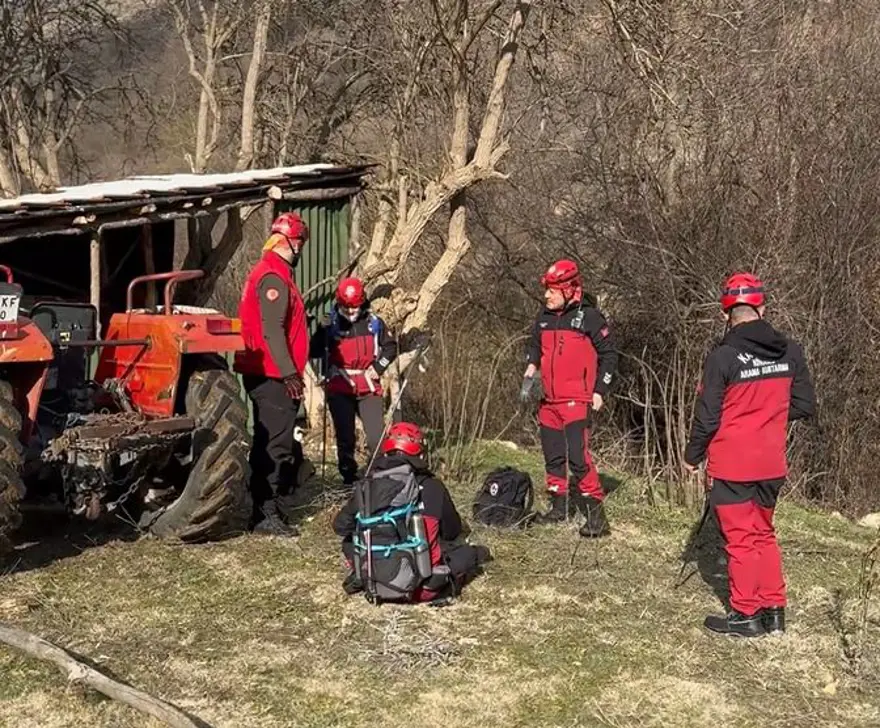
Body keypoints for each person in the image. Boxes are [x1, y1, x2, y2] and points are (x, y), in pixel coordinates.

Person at [684, 272, 816, 637]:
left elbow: (707, 416)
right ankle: (774, 610)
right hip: (772, 461)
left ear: (725, 313)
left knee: (740, 538)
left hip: (733, 462)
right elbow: (805, 405)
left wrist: (691, 455)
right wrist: (767, 411)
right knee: (763, 533)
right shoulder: (791, 350)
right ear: (762, 308)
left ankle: (745, 614)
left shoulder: (722, 356)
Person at [333, 422, 491, 604]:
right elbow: (452, 531)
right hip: (421, 589)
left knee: (349, 540)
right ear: (420, 453)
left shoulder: (368, 485)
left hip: (373, 581)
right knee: (467, 554)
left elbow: (340, 526)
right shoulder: (433, 486)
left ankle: (365, 572)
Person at [521, 259, 618, 537]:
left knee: (578, 457)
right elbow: (534, 344)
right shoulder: (544, 315)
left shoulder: (590, 317)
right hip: (548, 401)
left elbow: (610, 356)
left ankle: (597, 517)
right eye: (546, 290)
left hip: (576, 400)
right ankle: (558, 507)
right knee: (553, 456)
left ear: (568, 289)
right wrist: (531, 364)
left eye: (552, 290)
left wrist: (600, 390)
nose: (546, 295)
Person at [234, 212, 310, 536]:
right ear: (291, 242)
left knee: (272, 440)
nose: (302, 249)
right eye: (301, 243)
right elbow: (272, 331)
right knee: (275, 444)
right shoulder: (273, 277)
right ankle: (264, 513)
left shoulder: (274, 273)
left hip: (271, 371)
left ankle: (268, 507)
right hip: (271, 374)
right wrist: (290, 374)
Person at [309, 277, 397, 484]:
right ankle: (349, 477)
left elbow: (391, 346)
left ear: (362, 302)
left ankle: (378, 476)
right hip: (340, 384)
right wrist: (321, 331)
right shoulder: (331, 323)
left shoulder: (374, 323)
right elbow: (314, 351)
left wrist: (378, 367)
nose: (350, 312)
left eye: (354, 307)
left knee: (376, 436)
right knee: (345, 436)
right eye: (346, 307)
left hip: (367, 384)